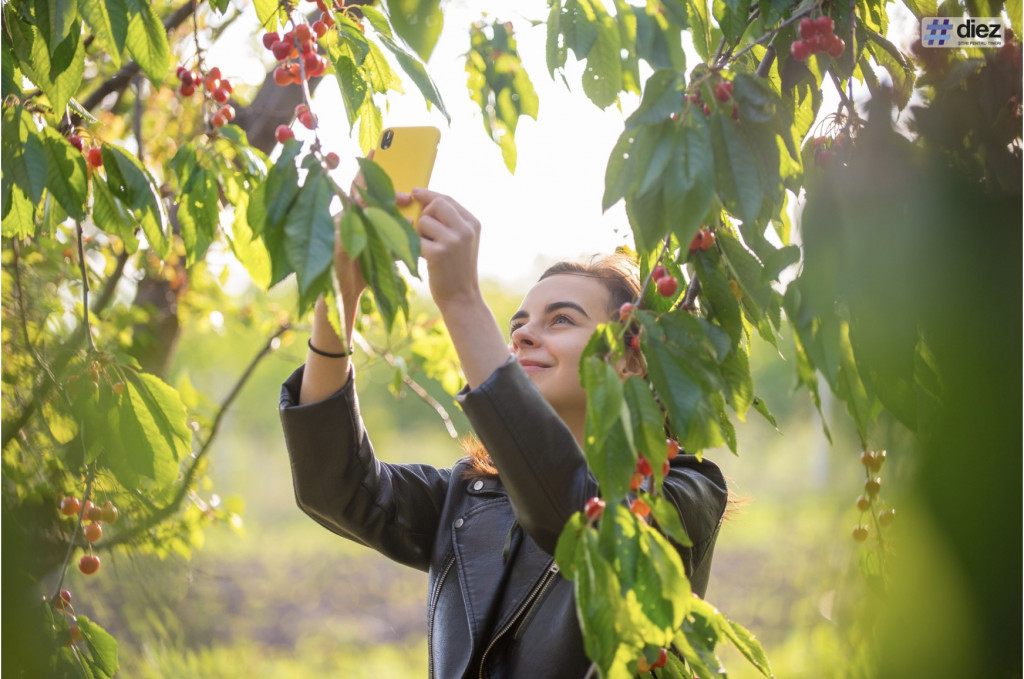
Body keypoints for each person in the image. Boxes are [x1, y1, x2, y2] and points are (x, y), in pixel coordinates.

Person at [278, 185, 729, 678]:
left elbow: (574, 515)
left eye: (562, 320)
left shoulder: (682, 492)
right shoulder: (471, 498)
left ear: (633, 360)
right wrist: (337, 300)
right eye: (518, 324)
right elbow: (336, 485)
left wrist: (461, 299)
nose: (522, 335)